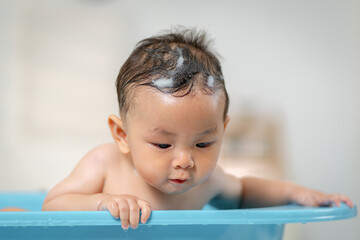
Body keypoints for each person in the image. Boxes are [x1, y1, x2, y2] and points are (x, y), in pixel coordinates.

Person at [42, 27, 353, 230]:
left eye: (203, 144)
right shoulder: (105, 164)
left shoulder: (208, 181)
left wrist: (296, 193)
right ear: (122, 135)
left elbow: (245, 192)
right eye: (163, 145)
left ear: (222, 130)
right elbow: (52, 205)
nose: (184, 161)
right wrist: (102, 202)